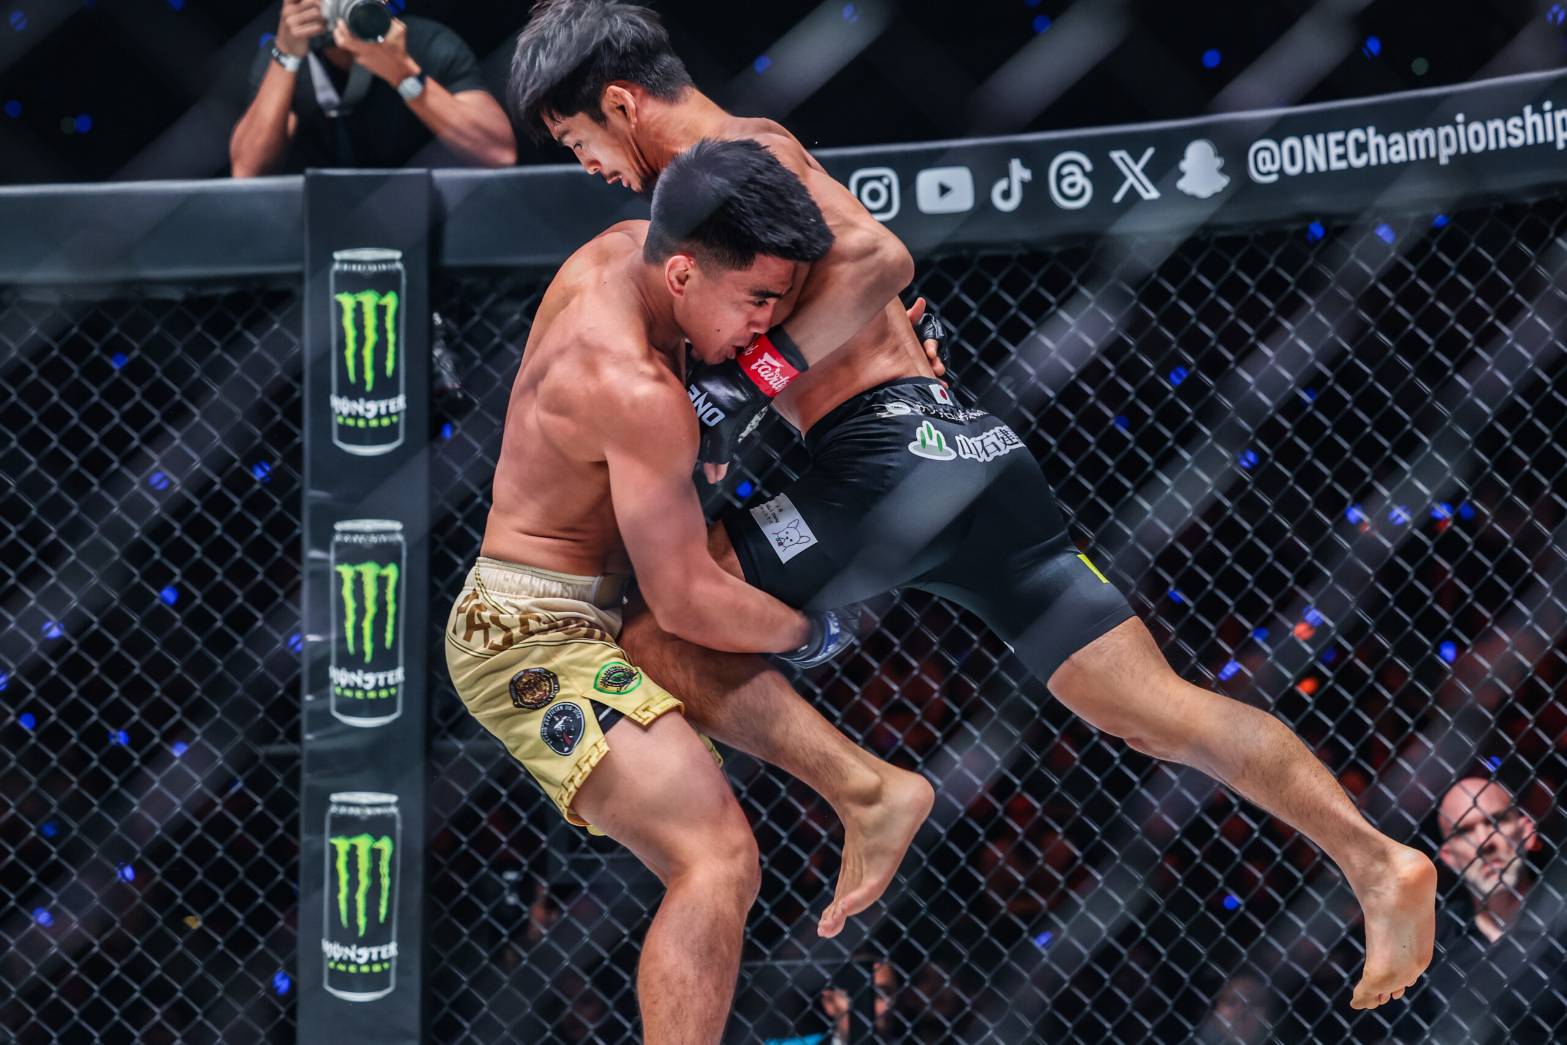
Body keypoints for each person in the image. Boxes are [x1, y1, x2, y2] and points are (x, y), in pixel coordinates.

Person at [508, 0, 1438, 1010]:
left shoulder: (727, 158)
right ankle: (1377, 860)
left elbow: (879, 259)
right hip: (965, 448)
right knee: (1154, 712)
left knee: (658, 625)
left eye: (577, 138)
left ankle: (867, 791)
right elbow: (862, 286)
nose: (586, 165)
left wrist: (746, 382)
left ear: (620, 103)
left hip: (882, 459)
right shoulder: (741, 162)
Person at [443, 139, 932, 1044]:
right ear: (682, 274)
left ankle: (865, 788)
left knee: (714, 835)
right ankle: (864, 787)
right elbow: (688, 602)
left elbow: (849, 280)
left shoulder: (618, 256)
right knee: (714, 858)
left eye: (779, 301)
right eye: (757, 301)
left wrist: (877, 349)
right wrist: (812, 634)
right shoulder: (634, 388)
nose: (768, 323)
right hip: (528, 633)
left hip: (600, 604)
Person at [230, 0, 515, 177]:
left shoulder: (424, 45)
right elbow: (247, 170)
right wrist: (286, 54)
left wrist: (403, 73)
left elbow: (499, 154)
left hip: (417, 211)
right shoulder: (285, 62)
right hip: (315, 219)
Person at [1394, 777, 1567, 1042]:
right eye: (1464, 831)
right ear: (1449, 857)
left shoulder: (1560, 916)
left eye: (1496, 821)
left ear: (1527, 832)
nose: (1485, 842)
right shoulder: (1433, 942)